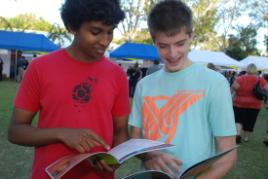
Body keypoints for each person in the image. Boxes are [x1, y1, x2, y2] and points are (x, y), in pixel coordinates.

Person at [8, 1, 130, 179]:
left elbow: (120, 131)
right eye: (95, 32)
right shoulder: (40, 68)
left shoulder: (117, 74)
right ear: (72, 27)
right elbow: (16, 131)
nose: (105, 41)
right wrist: (61, 133)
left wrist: (116, 159)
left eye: (110, 31)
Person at [128, 0, 237, 178]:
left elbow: (228, 155)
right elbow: (135, 141)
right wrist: (149, 155)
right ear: (154, 41)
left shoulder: (215, 82)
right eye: (163, 46)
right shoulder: (143, 85)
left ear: (191, 36)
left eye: (179, 44)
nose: (172, 54)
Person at [231, 63, 268, 143]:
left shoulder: (240, 78)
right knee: (250, 121)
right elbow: (267, 89)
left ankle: (238, 135)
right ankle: (246, 138)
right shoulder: (260, 79)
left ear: (247, 69)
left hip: (239, 103)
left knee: (238, 120)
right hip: (255, 104)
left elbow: (234, 88)